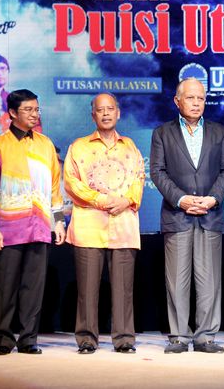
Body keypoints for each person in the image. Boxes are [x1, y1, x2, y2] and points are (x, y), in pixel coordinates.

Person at [150, 78, 224, 354]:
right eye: (190, 98)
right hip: (177, 215)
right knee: (177, 280)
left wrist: (212, 198)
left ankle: (205, 337)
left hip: (210, 214)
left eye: (201, 98)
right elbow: (157, 172)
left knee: (209, 280)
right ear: (177, 101)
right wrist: (181, 199)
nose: (196, 103)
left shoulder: (219, 131)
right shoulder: (162, 133)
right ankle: (178, 336)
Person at [0, 89, 66, 355]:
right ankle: (3, 339)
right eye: (28, 109)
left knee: (33, 287)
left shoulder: (45, 144)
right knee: (5, 287)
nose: (34, 114)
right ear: (12, 113)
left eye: (36, 109)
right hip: (9, 228)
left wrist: (58, 221)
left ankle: (29, 339)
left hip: (40, 227)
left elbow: (55, 188)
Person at [64, 93, 145, 354]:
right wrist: (100, 200)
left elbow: (139, 178)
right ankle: (87, 339)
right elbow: (71, 183)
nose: (106, 113)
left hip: (124, 224)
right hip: (89, 226)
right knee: (87, 290)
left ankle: (124, 339)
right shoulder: (79, 146)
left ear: (118, 113)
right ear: (93, 115)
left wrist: (126, 200)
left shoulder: (130, 146)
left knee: (123, 290)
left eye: (110, 109)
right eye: (101, 110)